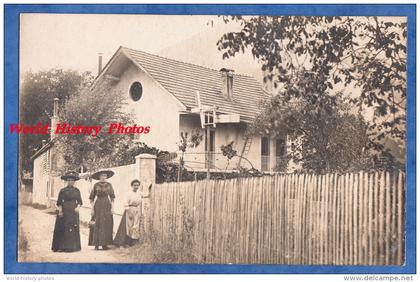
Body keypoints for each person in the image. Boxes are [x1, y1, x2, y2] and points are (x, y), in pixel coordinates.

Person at [51, 171, 83, 252]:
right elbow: (59, 203)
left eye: (72, 180)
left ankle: (72, 247)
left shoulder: (77, 191)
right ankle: (61, 247)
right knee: (62, 227)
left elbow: (79, 202)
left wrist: (77, 208)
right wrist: (60, 211)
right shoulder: (62, 190)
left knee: (72, 227)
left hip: (73, 211)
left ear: (74, 181)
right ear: (66, 181)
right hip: (64, 211)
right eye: (68, 180)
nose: (70, 182)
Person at [113, 179, 150, 247]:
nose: (136, 187)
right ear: (132, 186)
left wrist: (150, 189)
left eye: (137, 185)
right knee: (128, 226)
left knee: (135, 225)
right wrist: (129, 211)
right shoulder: (128, 193)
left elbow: (146, 195)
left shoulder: (139, 193)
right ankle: (125, 242)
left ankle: (133, 242)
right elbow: (125, 202)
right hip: (129, 209)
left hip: (137, 210)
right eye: (134, 185)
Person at [88, 169, 115, 250]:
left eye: (105, 176)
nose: (103, 177)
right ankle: (96, 244)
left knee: (106, 224)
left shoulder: (109, 185)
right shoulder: (96, 185)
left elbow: (112, 197)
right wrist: (92, 209)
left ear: (106, 177)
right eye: (102, 176)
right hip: (98, 205)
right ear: (99, 177)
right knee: (97, 223)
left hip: (107, 205)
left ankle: (105, 244)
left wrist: (112, 208)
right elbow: (91, 198)